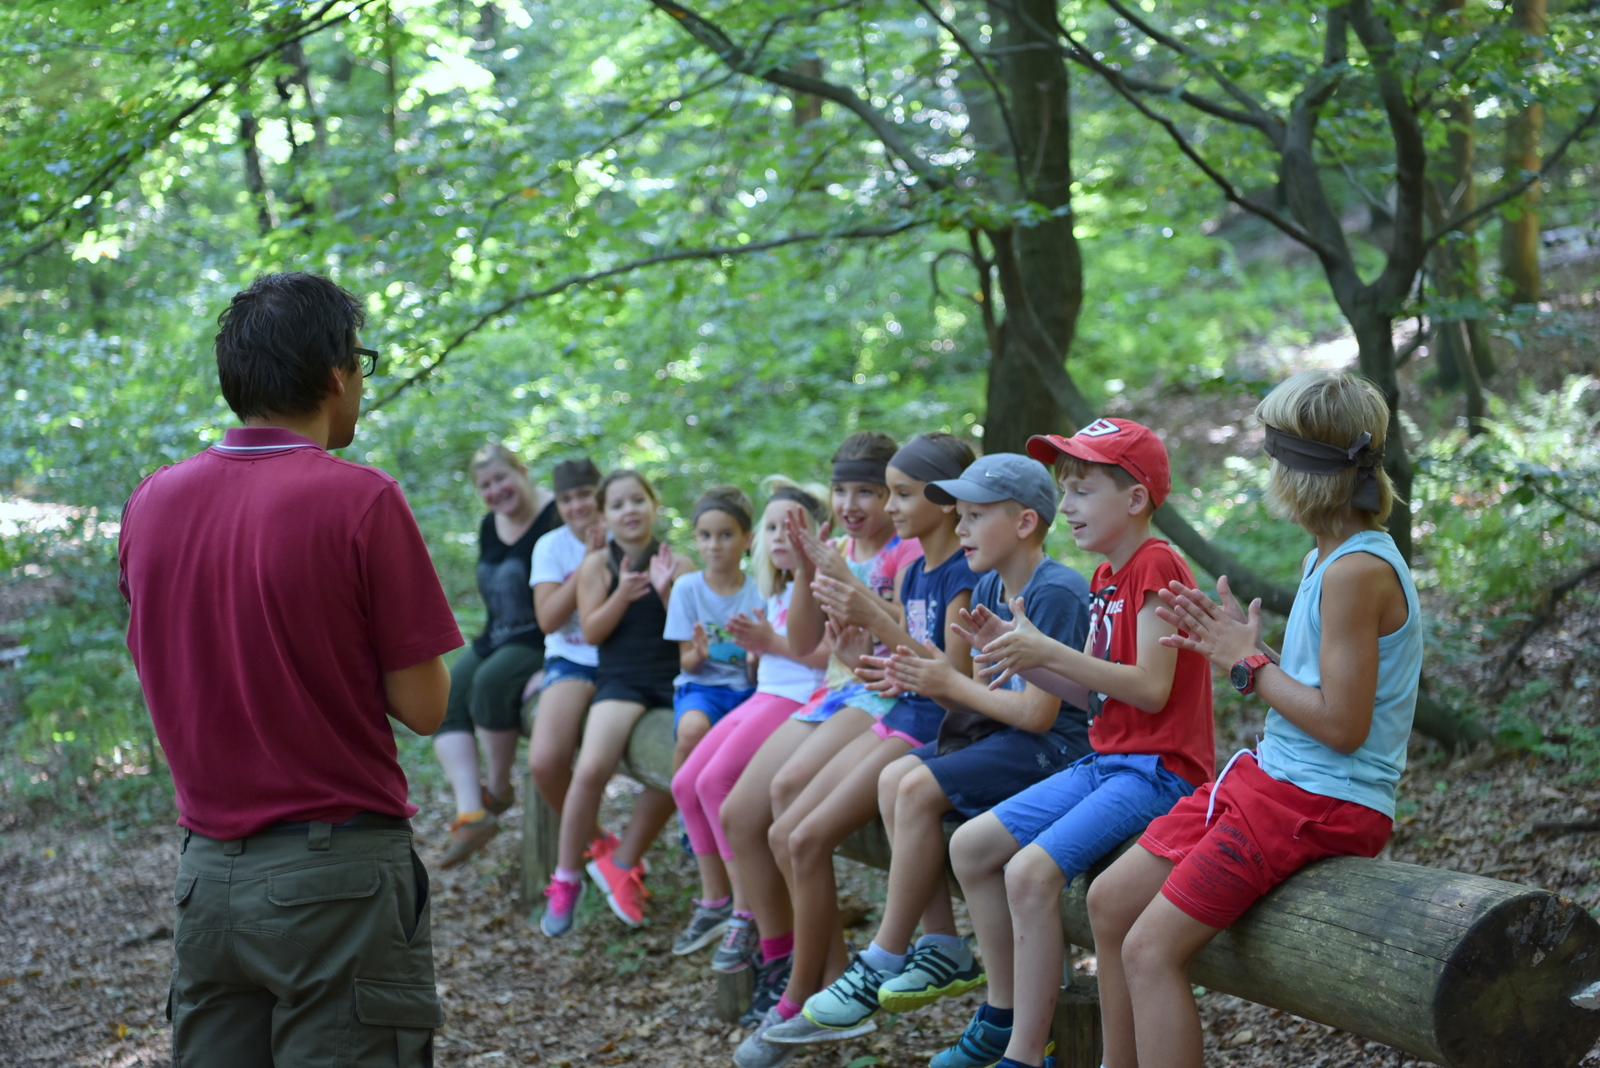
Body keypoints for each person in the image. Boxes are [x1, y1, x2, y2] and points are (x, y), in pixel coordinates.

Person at [118, 271, 461, 1066]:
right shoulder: (361, 501)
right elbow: (425, 706)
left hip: (207, 881)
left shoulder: (152, 502)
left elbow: (168, 665)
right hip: (335, 879)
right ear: (338, 375)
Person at [1087, 370, 1421, 1068]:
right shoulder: (1325, 556)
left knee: (1150, 951)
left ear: (1301, 473)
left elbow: (1343, 728)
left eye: (1275, 456)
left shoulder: (1356, 572)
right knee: (1110, 902)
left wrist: (1250, 665)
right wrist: (1239, 645)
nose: (1268, 470)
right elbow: (1326, 688)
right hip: (1275, 780)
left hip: (1322, 801)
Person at [754, 454, 1094, 1054]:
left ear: (1023, 523)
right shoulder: (989, 583)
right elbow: (972, 684)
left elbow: (1039, 713)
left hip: (1057, 750)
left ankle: (884, 955)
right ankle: (943, 949)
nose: (960, 527)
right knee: (897, 781)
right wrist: (901, 671)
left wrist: (941, 682)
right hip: (1008, 738)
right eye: (957, 514)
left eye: (974, 515)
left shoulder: (1057, 591)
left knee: (910, 785)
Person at [928, 419, 1215, 1068]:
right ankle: (1005, 1020)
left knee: (1030, 871)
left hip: (1158, 771)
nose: (1070, 507)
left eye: (1082, 491)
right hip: (1106, 761)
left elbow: (1147, 687)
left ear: (1135, 499)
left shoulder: (1158, 565)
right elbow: (1090, 694)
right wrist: (1017, 653)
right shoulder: (1105, 577)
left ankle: (1027, 1054)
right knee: (971, 845)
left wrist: (1045, 649)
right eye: (1065, 490)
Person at [733, 434, 978, 1068]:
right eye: (881, 491)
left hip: (927, 728)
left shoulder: (955, 575)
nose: (888, 507)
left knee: (803, 837)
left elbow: (952, 687)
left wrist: (868, 607)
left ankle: (801, 1000)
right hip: (897, 710)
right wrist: (856, 657)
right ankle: (821, 982)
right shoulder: (921, 566)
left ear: (947, 501)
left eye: (898, 493)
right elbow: (900, 667)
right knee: (786, 831)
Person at [713, 433, 919, 1016]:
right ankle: (789, 959)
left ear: (895, 496)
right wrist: (808, 567)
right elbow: (806, 640)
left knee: (785, 795)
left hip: (879, 694)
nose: (852, 503)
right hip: (835, 691)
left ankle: (818, 973)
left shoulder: (904, 551)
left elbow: (909, 628)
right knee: (736, 813)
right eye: (841, 489)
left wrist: (845, 582)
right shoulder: (839, 547)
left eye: (868, 491)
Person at [669, 481, 832, 960]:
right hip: (765, 695)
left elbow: (824, 660)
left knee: (715, 783)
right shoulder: (775, 588)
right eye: (772, 527)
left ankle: (746, 912)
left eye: (792, 527)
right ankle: (716, 901)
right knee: (684, 784)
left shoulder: (820, 582)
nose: (780, 537)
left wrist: (766, 642)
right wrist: (756, 651)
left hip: (798, 700)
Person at [540, 470, 694, 935]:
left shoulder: (679, 562)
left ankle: (624, 859)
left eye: (637, 501)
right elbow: (591, 632)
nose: (630, 511)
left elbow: (692, 632)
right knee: (590, 768)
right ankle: (567, 876)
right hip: (621, 681)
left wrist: (667, 591)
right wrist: (623, 594)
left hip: (671, 681)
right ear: (604, 517)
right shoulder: (597, 565)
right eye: (619, 504)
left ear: (654, 505)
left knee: (678, 768)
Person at [434, 443, 562, 868]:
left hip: (543, 639)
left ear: (522, 470)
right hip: (498, 635)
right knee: (447, 695)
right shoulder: (490, 525)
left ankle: (498, 789)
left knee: (491, 685)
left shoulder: (558, 516)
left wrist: (555, 665)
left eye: (501, 478)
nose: (496, 490)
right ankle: (473, 814)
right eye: (485, 486)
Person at [663, 485, 764, 955]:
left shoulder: (758, 588)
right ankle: (690, 821)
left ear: (746, 538)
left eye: (725, 535)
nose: (714, 545)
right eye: (705, 535)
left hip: (746, 691)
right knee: (691, 732)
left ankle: (736, 894)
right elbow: (684, 662)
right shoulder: (687, 588)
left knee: (732, 764)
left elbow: (763, 663)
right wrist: (698, 654)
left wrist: (751, 661)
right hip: (702, 687)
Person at [526, 456, 612, 864]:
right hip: (571, 659)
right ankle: (598, 843)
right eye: (566, 499)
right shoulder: (551, 546)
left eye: (584, 495)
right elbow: (548, 620)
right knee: (544, 762)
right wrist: (587, 564)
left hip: (620, 661)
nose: (577, 506)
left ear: (600, 495)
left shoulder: (628, 534)